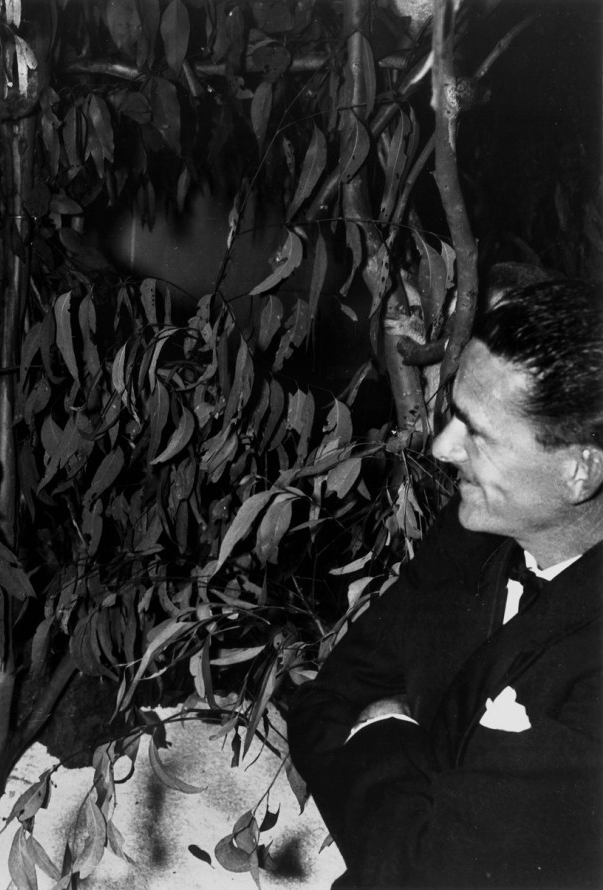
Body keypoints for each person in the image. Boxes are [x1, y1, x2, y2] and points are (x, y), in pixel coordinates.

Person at [287, 278, 603, 887]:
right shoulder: (469, 541)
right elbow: (324, 707)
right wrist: (419, 818)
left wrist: (383, 730)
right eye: (453, 413)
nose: (441, 445)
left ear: (579, 472)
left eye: (476, 432)